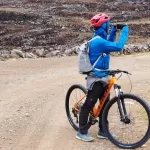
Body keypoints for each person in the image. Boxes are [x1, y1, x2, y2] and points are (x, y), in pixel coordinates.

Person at [76, 13, 129, 142]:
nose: (109, 25)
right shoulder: (98, 41)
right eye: (108, 24)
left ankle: (103, 131)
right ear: (103, 25)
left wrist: (113, 32)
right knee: (89, 104)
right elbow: (118, 46)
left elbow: (108, 45)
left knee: (104, 105)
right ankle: (81, 131)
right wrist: (125, 29)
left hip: (103, 77)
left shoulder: (100, 40)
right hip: (96, 78)